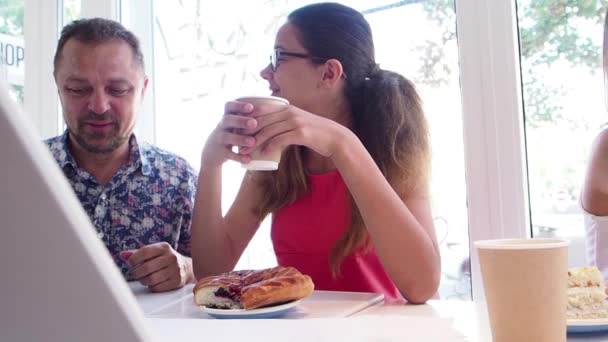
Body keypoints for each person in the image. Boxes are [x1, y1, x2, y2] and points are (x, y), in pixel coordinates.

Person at [191, 3, 440, 303]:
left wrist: (342, 144)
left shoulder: (393, 150)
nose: (265, 71)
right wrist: (211, 163)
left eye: (278, 57)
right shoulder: (277, 155)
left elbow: (423, 287)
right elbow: (210, 270)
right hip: (301, 330)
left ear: (329, 72)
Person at [46, 18, 197, 292]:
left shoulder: (179, 178)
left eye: (118, 90)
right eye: (78, 89)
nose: (100, 106)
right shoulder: (21, 174)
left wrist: (186, 268)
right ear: (58, 87)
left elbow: (216, 274)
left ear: (143, 90)